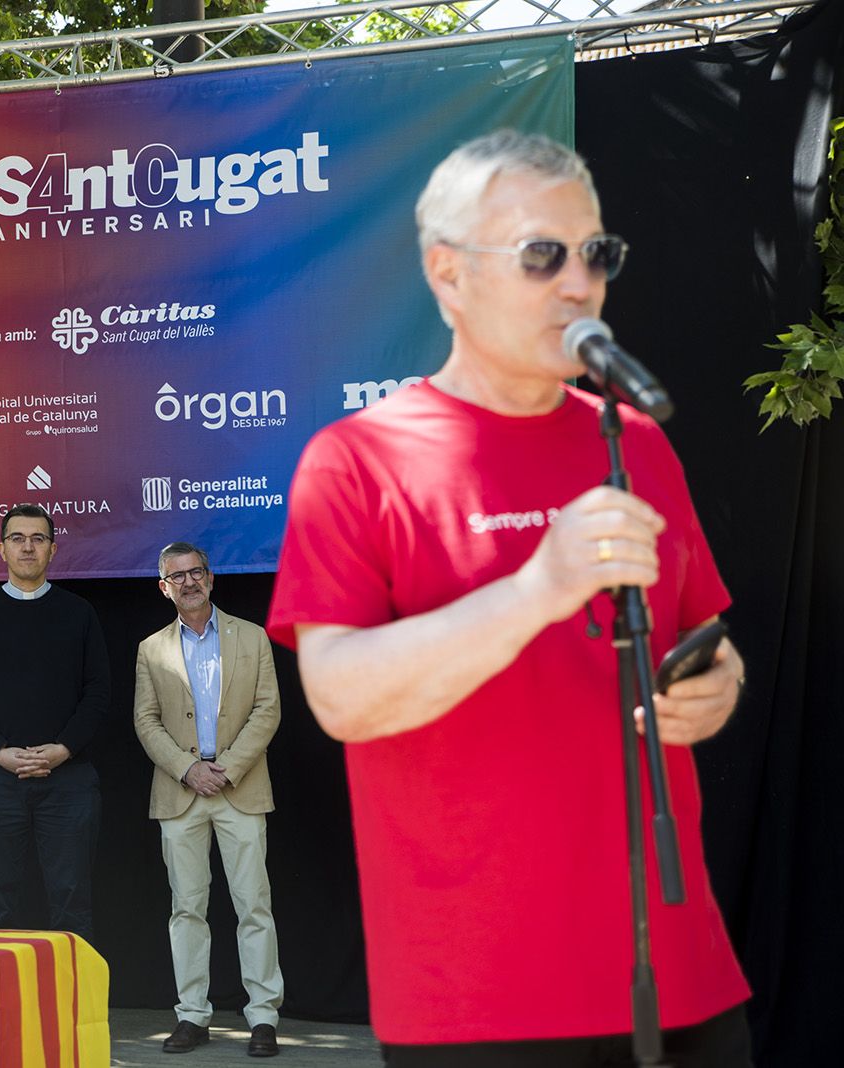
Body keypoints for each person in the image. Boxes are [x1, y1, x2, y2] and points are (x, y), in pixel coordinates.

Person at [267, 129, 751, 1066]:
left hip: (678, 978)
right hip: (480, 1002)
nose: (580, 284)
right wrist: (537, 588)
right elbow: (338, 696)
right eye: (542, 256)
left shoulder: (636, 442)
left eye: (595, 254)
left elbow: (709, 636)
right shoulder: (357, 461)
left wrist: (718, 683)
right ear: (447, 274)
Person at [133, 542, 284, 1058]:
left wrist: (227, 768)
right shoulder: (151, 649)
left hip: (240, 790)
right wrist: (187, 769)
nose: (189, 581)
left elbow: (267, 710)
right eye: (178, 576)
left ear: (212, 578)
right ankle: (192, 1015)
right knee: (187, 910)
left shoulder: (252, 636)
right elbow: (145, 721)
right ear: (163, 587)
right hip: (181, 794)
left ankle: (263, 1018)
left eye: (197, 572)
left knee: (254, 907)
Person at [0, 503, 110, 942]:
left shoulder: (79, 614)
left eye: (38, 539)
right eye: (17, 538)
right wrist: (0, 753)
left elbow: (98, 694)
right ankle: (1, 1011)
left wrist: (62, 750)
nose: (27, 547)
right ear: (1, 549)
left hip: (69, 779)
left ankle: (74, 1010)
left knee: (73, 902)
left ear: (53, 550)